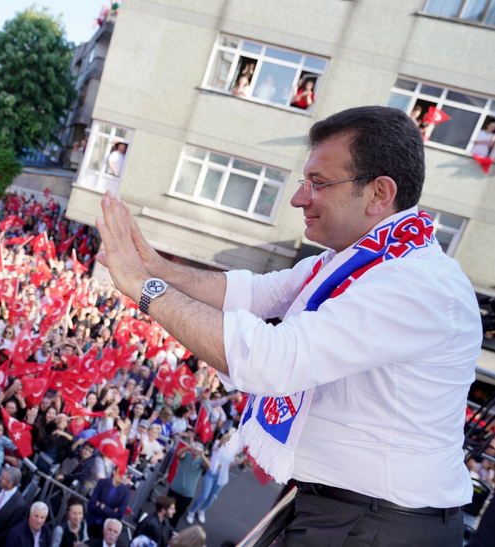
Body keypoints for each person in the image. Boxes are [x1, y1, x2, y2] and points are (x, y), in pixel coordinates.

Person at [95, 105, 480, 545]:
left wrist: (146, 290)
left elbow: (272, 359)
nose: (299, 198)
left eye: (317, 183)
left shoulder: (417, 283)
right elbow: (253, 295)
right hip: (342, 507)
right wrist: (158, 267)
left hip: (378, 524)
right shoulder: (353, 260)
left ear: (378, 194)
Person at [187, 432, 236, 524]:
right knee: (204, 495)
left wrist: (237, 463)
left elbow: (229, 465)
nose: (230, 439)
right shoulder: (218, 443)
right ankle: (191, 511)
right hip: (211, 473)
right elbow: (218, 446)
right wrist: (225, 437)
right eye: (229, 437)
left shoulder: (233, 450)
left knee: (212, 496)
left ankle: (202, 510)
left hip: (222, 476)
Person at [166, 442, 208, 527]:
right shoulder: (186, 456)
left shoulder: (201, 461)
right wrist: (187, 447)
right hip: (175, 489)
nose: (196, 450)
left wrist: (203, 455)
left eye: (199, 448)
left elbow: (209, 466)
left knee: (177, 515)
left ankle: (170, 531)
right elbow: (179, 454)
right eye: (195, 447)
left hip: (187, 495)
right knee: (166, 511)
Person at [86, 467, 131, 536]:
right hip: (89, 522)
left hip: (104, 530)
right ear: (113, 471)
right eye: (120, 473)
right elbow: (91, 505)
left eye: (124, 474)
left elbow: (119, 516)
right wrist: (111, 512)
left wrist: (102, 506)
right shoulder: (102, 482)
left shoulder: (126, 492)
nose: (122, 476)